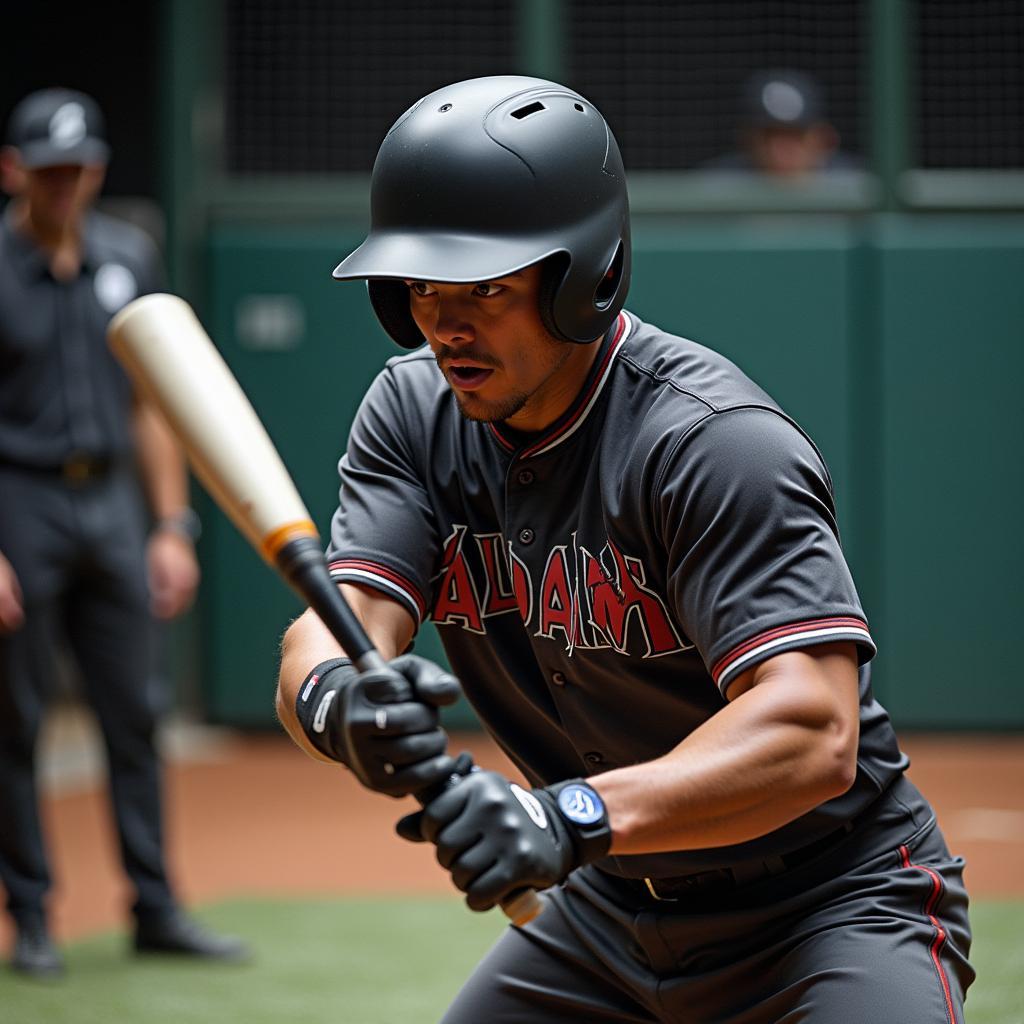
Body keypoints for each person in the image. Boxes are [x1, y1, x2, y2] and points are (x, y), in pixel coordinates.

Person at [275, 76, 973, 1022]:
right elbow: (341, 625)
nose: (445, 323)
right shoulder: (413, 415)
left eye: (484, 285)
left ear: (585, 275)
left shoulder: (712, 442)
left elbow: (814, 731)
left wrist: (567, 817)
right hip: (607, 910)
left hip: (828, 905)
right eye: (422, 286)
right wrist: (335, 699)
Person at [0, 88, 248, 977]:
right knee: (15, 720)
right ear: (15, 169)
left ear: (98, 170)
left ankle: (156, 907)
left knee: (134, 714)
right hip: (17, 501)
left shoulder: (126, 255)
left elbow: (152, 400)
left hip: (111, 503)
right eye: (50, 168)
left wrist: (171, 526)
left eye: (80, 168)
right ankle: (31, 916)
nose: (66, 183)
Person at [703, 69, 863, 178]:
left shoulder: (858, 185)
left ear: (824, 139)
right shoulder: (720, 186)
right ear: (747, 140)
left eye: (796, 136)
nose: (780, 151)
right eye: (769, 136)